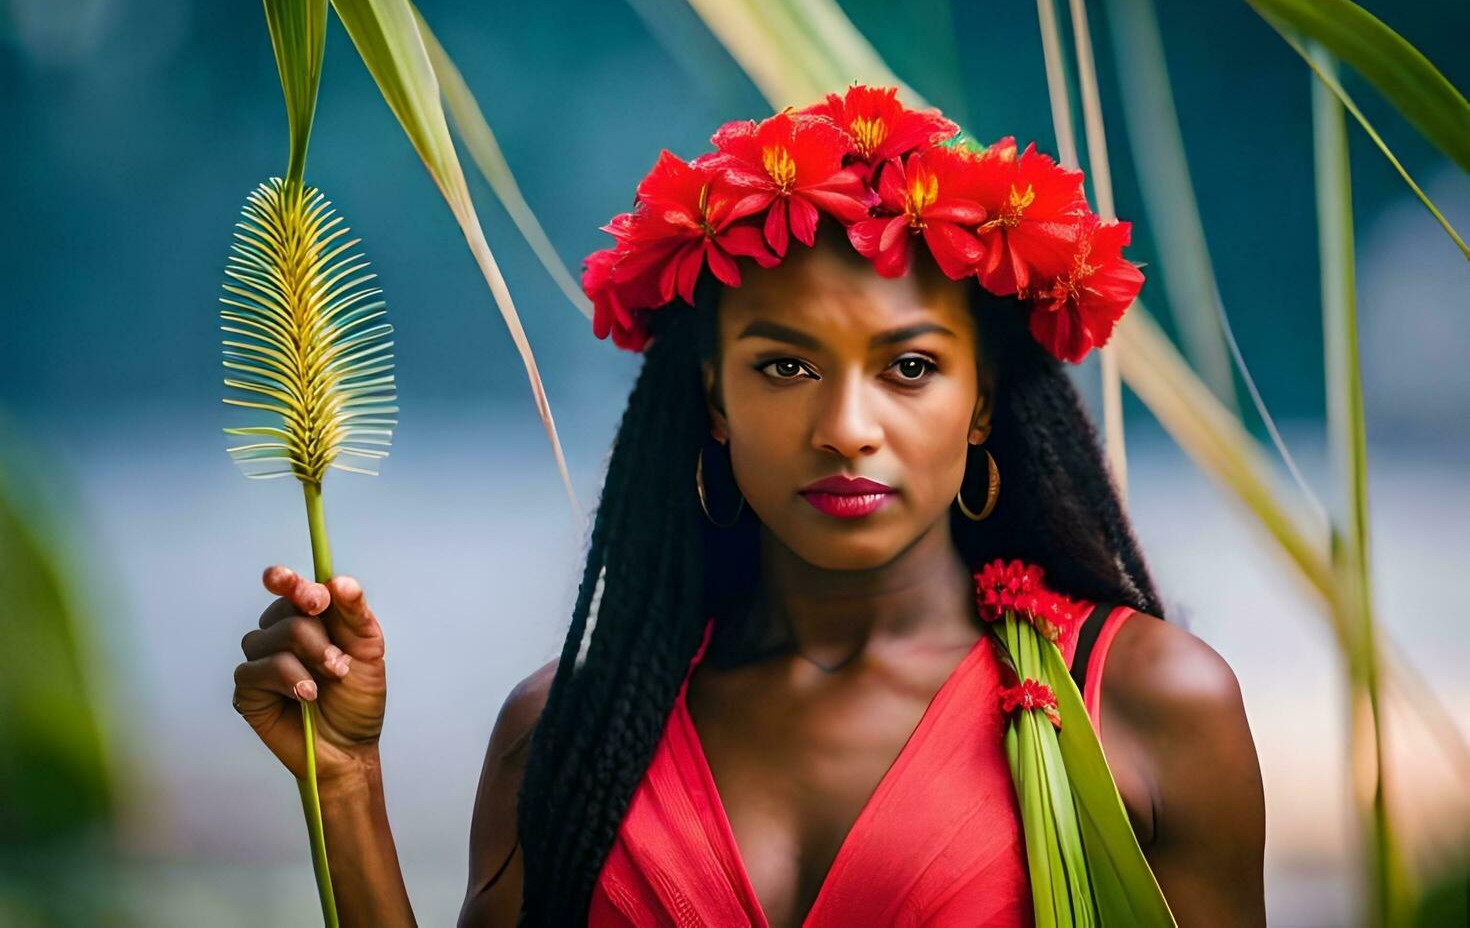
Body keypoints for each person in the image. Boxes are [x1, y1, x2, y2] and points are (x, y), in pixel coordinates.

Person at [231, 86, 1266, 927]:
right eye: (784, 365)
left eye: (909, 365)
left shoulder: (1143, 704)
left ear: (984, 397)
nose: (846, 427)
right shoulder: (570, 729)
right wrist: (346, 784)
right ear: (715, 399)